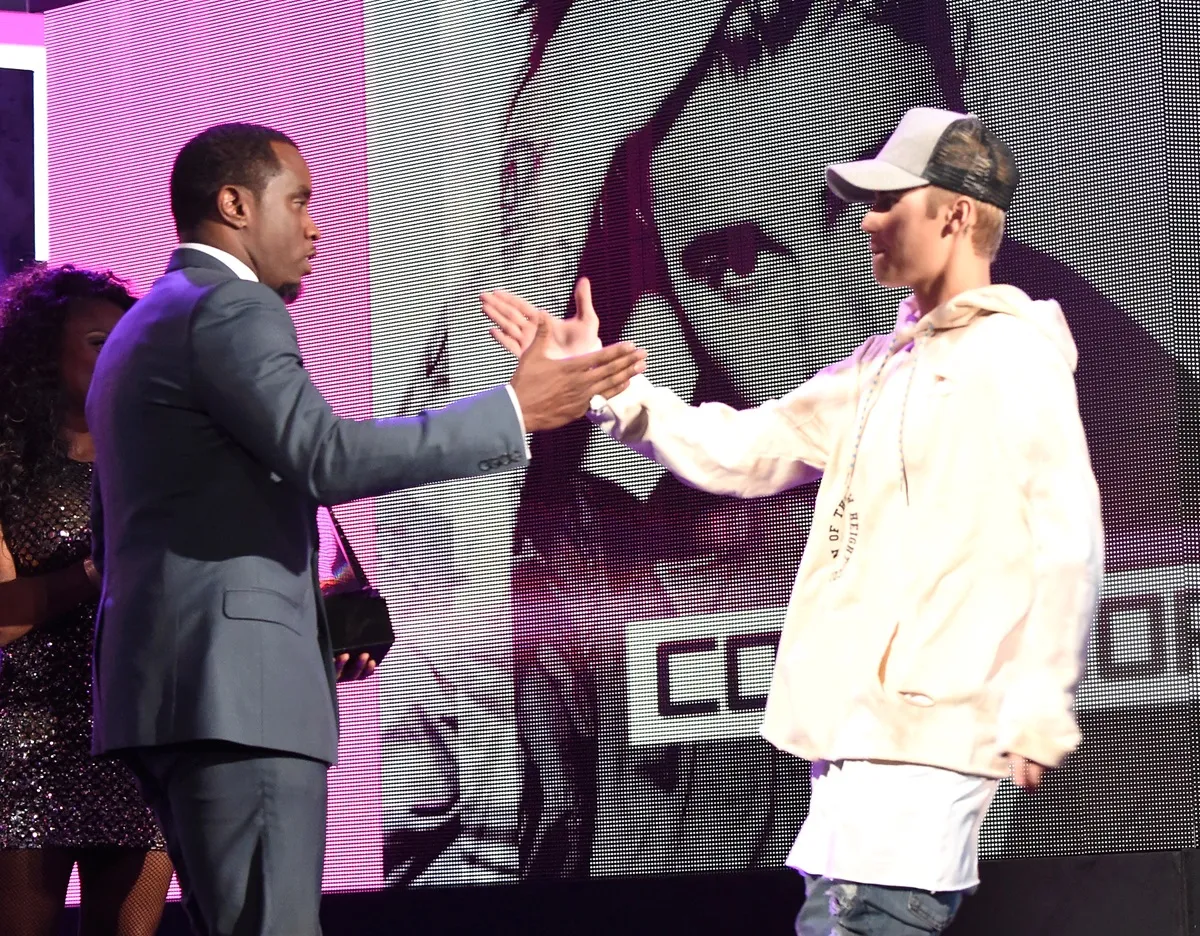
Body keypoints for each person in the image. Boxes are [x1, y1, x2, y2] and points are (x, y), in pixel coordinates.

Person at [484, 107, 1104, 933]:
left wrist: (1039, 706)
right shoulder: (881, 367)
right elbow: (745, 448)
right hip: (855, 750)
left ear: (955, 214)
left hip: (923, 745)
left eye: (890, 203)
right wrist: (606, 387)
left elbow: (1070, 539)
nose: (870, 222)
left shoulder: (1012, 354)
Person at [85, 122, 645, 936]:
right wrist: (513, 412)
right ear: (235, 206)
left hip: (167, 697)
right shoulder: (235, 307)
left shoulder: (138, 328)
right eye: (301, 201)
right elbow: (326, 455)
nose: (316, 227)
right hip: (241, 697)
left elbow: (120, 537)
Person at [0, 264, 173, 936]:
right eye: (101, 341)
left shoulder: (159, 459)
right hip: (25, 742)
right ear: (42, 355)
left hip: (137, 737)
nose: (119, 355)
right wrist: (96, 576)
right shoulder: (10, 463)